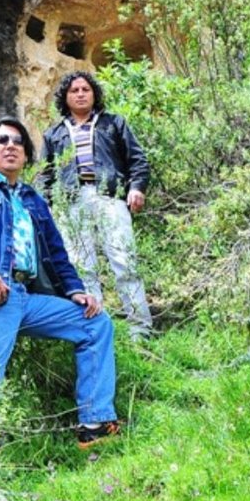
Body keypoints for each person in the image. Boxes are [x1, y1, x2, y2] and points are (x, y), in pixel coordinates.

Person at [0, 117, 121, 473]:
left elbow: (55, 251)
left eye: (18, 142)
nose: (11, 146)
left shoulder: (31, 198)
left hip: (25, 296)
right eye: (2, 140)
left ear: (26, 155)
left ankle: (95, 423)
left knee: (95, 323)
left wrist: (75, 290)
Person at [41, 71, 154, 338]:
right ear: (65, 97)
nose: (80, 94)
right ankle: (96, 328)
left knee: (124, 261)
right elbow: (45, 174)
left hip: (109, 197)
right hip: (71, 202)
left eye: (86, 89)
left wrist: (136, 188)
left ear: (94, 94)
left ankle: (140, 330)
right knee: (82, 266)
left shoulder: (113, 123)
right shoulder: (55, 133)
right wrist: (48, 205)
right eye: (74, 90)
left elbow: (138, 160)